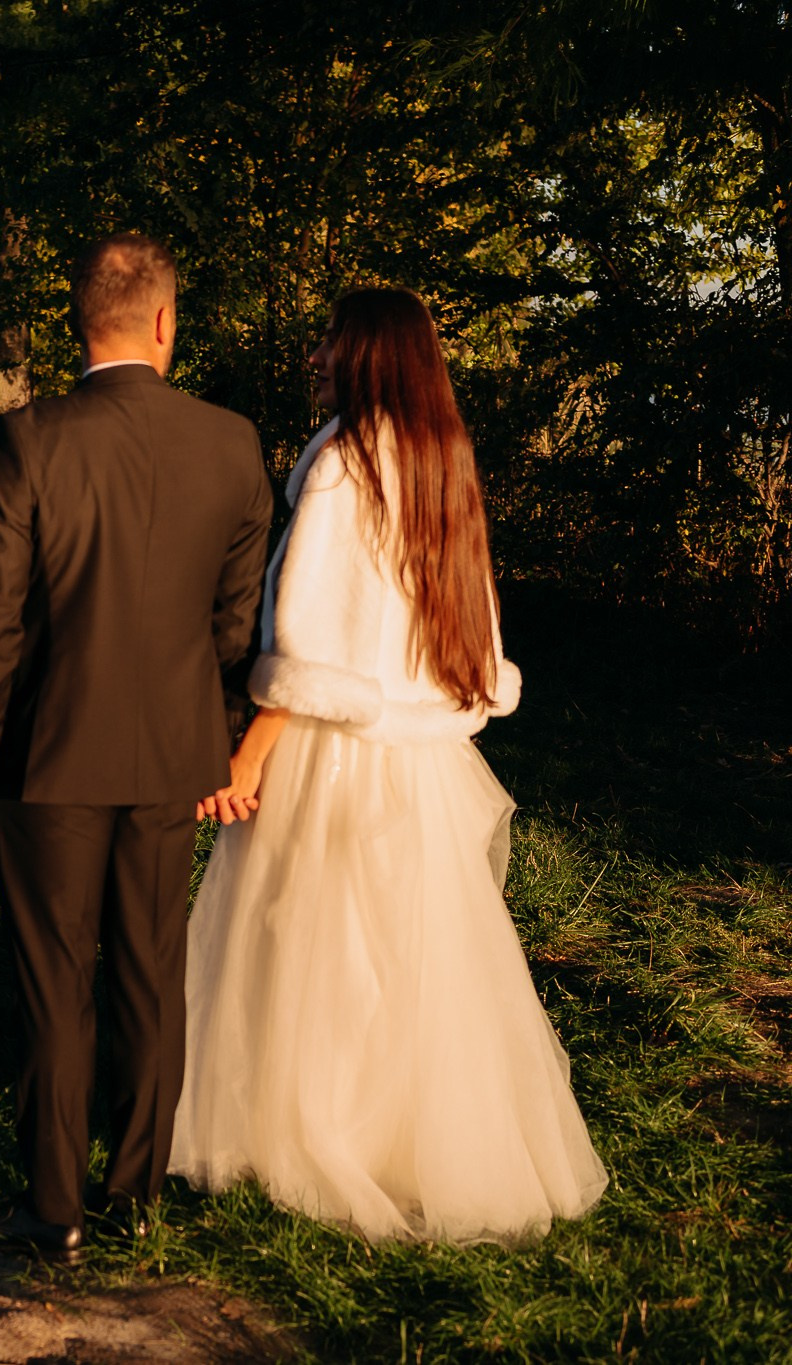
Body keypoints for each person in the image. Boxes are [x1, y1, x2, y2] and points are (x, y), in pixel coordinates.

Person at [169, 287, 609, 1243]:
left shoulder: (341, 462)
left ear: (369, 357)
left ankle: (313, 1133)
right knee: (405, 952)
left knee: (306, 941)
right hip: (419, 754)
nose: (316, 355)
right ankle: (412, 1139)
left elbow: (310, 646)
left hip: (336, 753)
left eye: (331, 341)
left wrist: (246, 752)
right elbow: (461, 632)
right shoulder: (442, 460)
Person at [0, 232, 273, 1262]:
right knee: (149, 969)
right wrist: (212, 726)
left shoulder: (26, 440)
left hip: (45, 752)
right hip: (175, 749)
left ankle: (55, 1209)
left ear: (75, 321)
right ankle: (133, 1190)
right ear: (165, 322)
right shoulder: (230, 443)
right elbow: (235, 620)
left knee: (55, 976)